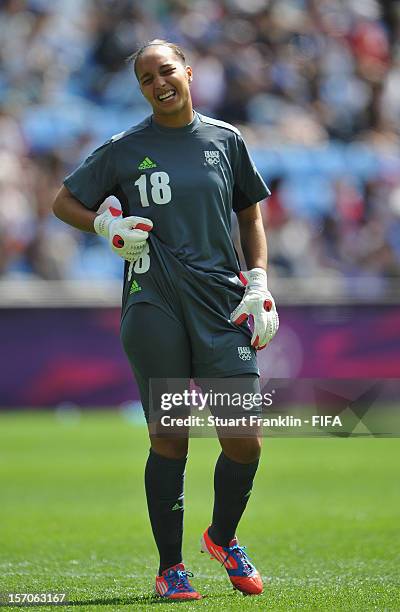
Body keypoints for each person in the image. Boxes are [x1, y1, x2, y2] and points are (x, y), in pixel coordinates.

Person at [52, 39, 279, 601]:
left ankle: (223, 537)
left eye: (166, 70)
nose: (159, 82)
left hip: (222, 305)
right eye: (147, 77)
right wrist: (106, 229)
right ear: (141, 88)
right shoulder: (124, 149)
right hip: (154, 304)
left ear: (188, 72)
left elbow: (251, 217)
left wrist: (258, 282)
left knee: (244, 440)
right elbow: (64, 202)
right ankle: (170, 569)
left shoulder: (226, 140)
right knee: (170, 436)